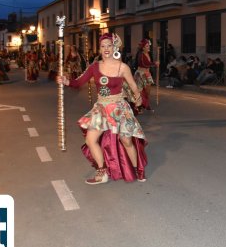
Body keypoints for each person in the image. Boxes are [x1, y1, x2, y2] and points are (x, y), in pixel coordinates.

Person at [60, 33, 148, 184]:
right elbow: (78, 82)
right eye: (103, 46)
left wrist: (138, 98)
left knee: (126, 140)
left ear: (114, 47)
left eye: (109, 45)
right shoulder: (94, 67)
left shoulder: (123, 67)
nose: (106, 48)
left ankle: (137, 169)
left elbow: (133, 86)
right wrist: (66, 81)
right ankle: (102, 172)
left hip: (119, 108)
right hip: (101, 107)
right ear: (99, 49)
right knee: (90, 139)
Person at [134, 39, 158, 112]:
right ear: (143, 48)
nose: (148, 47)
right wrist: (154, 64)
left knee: (147, 92)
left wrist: (154, 64)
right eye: (147, 46)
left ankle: (146, 105)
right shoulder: (141, 54)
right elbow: (144, 64)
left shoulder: (147, 53)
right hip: (141, 74)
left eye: (148, 46)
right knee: (140, 91)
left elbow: (148, 64)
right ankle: (139, 106)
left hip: (147, 73)